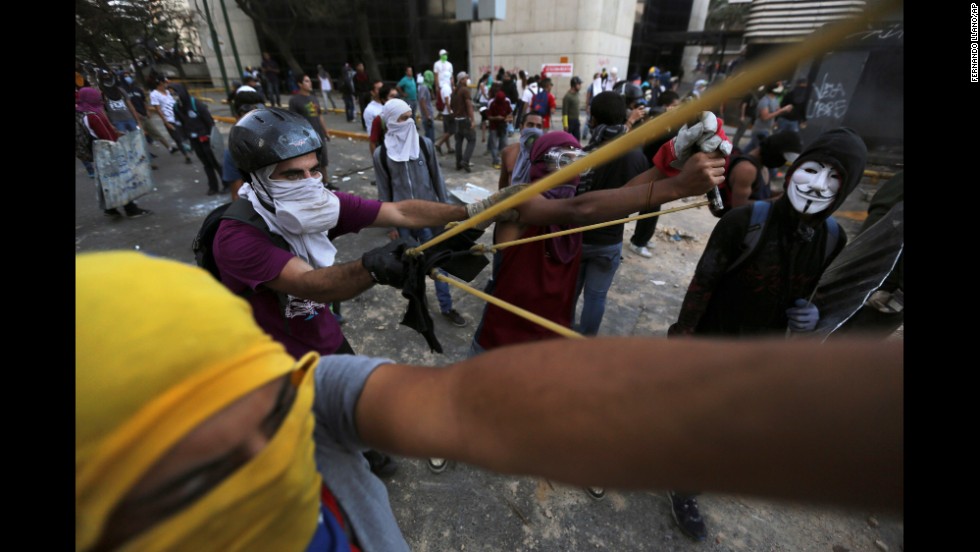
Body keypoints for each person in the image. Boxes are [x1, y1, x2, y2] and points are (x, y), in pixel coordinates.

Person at [76, 250, 903, 552]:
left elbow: (471, 408)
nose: (270, 448)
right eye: (196, 476)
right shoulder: (241, 238)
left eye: (266, 411)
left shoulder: (305, 395)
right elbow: (313, 281)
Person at [665, 128, 868, 541]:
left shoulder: (832, 238)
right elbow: (701, 285)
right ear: (793, 169)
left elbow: (817, 293)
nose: (817, 185)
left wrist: (813, 313)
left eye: (834, 179)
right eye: (812, 169)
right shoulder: (744, 221)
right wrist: (682, 339)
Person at [471, 130, 728, 355]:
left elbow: (626, 192)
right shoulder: (521, 206)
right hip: (501, 344)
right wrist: (678, 187)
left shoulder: (568, 212)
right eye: (561, 161)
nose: (569, 173)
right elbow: (582, 208)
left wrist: (671, 159)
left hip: (549, 344)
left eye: (576, 163)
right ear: (538, 163)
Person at [372, 99, 467, 327]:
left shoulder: (424, 145)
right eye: (403, 118)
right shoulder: (382, 154)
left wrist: (447, 213)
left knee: (438, 262)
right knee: (411, 267)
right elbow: (384, 190)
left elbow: (438, 181)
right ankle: (420, 306)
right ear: (391, 122)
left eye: (410, 117)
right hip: (402, 220)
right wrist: (391, 225)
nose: (409, 122)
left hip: (430, 217)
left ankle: (446, 306)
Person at [571, 92, 651, 335]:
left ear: (593, 119)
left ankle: (560, 335)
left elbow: (569, 196)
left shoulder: (583, 153)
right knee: (597, 297)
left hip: (577, 238)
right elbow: (639, 201)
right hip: (610, 240)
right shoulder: (637, 155)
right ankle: (586, 340)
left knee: (569, 294)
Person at [76, 86, 152, 218]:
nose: (100, 99)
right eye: (97, 97)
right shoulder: (94, 116)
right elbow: (106, 137)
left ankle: (110, 209)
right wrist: (119, 142)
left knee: (106, 180)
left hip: (96, 152)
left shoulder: (82, 113)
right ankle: (131, 209)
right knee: (122, 179)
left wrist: (115, 132)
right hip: (107, 152)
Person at [627, 89, 681, 259]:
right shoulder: (656, 122)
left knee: (652, 207)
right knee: (650, 205)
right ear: (667, 106)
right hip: (650, 170)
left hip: (656, 171)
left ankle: (643, 237)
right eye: (675, 106)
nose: (678, 109)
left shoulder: (667, 123)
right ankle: (638, 242)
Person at [721, 130, 802, 213]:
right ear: (774, 149)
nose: (783, 162)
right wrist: (776, 201)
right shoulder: (747, 169)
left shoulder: (763, 166)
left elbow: (761, 194)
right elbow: (738, 205)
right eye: (782, 158)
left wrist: (781, 195)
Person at [170, 82, 223, 195]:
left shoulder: (195, 104)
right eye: (171, 94)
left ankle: (227, 183)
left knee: (215, 162)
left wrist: (212, 137)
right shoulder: (177, 108)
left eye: (175, 93)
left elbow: (209, 121)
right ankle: (213, 187)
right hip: (194, 140)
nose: (174, 96)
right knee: (206, 164)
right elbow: (179, 124)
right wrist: (184, 140)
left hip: (206, 138)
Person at [222, 90, 265, 200]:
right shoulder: (233, 153)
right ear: (237, 118)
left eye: (259, 115)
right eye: (249, 117)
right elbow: (237, 197)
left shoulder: (279, 140)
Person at [288, 74, 331, 172]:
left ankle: (326, 182)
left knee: (323, 160)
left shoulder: (314, 98)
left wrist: (325, 131)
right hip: (307, 137)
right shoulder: (294, 100)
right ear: (300, 84)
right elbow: (293, 121)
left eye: (310, 81)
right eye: (306, 81)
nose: (310, 83)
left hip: (319, 134)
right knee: (312, 163)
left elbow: (319, 115)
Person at [148, 74, 194, 164]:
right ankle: (186, 156)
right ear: (160, 83)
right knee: (177, 138)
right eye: (165, 82)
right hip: (169, 119)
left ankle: (190, 148)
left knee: (186, 135)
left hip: (179, 116)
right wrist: (166, 122)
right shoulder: (154, 94)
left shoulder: (169, 92)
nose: (167, 84)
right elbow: (158, 110)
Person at [451, 71, 476, 172]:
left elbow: (451, 105)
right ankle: (465, 161)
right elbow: (469, 105)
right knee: (472, 140)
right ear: (461, 80)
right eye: (466, 78)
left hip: (457, 120)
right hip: (464, 120)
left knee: (458, 142)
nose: (467, 80)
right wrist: (473, 120)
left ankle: (458, 163)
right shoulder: (465, 90)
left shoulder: (455, 91)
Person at [485, 89, 513, 170]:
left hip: (503, 126)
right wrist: (496, 117)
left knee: (504, 143)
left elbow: (510, 113)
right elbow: (488, 116)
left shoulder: (507, 102)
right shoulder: (492, 103)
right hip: (493, 126)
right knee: (493, 144)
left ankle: (502, 159)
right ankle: (496, 161)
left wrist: (509, 119)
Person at [417, 70, 437, 143]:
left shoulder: (427, 87)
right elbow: (422, 102)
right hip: (427, 116)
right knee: (430, 138)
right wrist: (427, 115)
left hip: (428, 114)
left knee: (430, 134)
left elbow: (431, 98)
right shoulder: (424, 87)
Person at [562, 76, 583, 141]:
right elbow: (564, 111)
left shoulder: (577, 94)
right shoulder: (567, 96)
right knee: (568, 140)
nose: (580, 86)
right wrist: (565, 125)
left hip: (576, 121)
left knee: (577, 140)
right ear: (574, 85)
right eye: (579, 84)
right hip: (569, 121)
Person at [354, 62, 372, 130]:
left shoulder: (366, 74)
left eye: (362, 66)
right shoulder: (356, 76)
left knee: (369, 109)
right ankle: (365, 125)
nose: (361, 67)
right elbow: (355, 86)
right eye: (359, 66)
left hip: (367, 93)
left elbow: (370, 83)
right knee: (363, 110)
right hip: (361, 94)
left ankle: (369, 123)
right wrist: (356, 96)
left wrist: (371, 91)